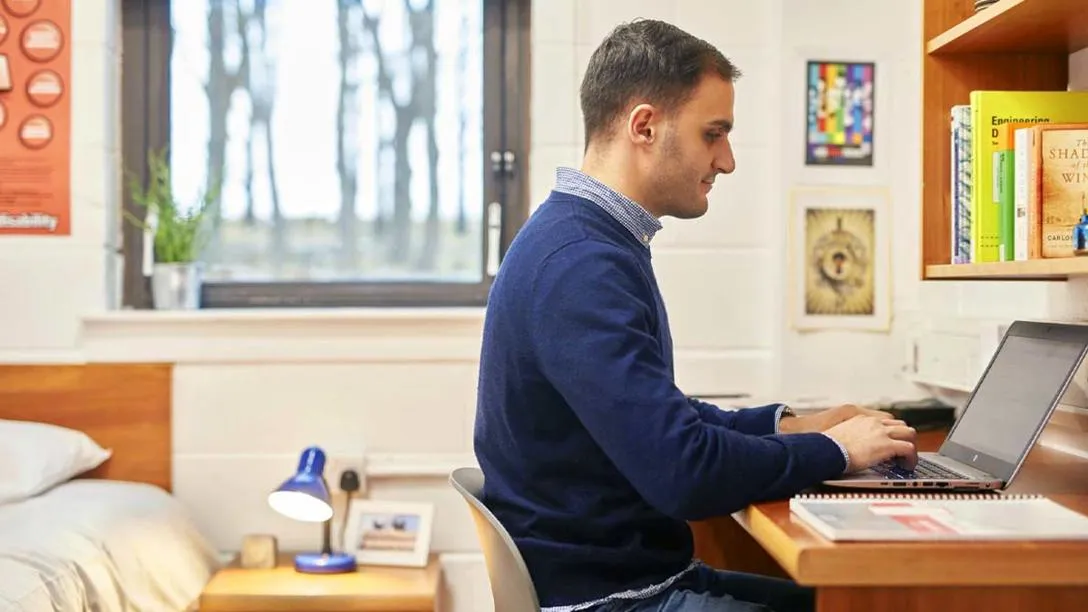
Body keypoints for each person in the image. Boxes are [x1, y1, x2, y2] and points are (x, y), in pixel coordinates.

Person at [472, 18, 918, 612]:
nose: (726, 161)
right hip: (614, 600)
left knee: (856, 601)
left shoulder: (583, 241)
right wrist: (836, 451)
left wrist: (792, 426)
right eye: (714, 134)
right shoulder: (580, 263)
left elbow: (662, 420)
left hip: (630, 580)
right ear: (644, 126)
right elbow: (681, 471)